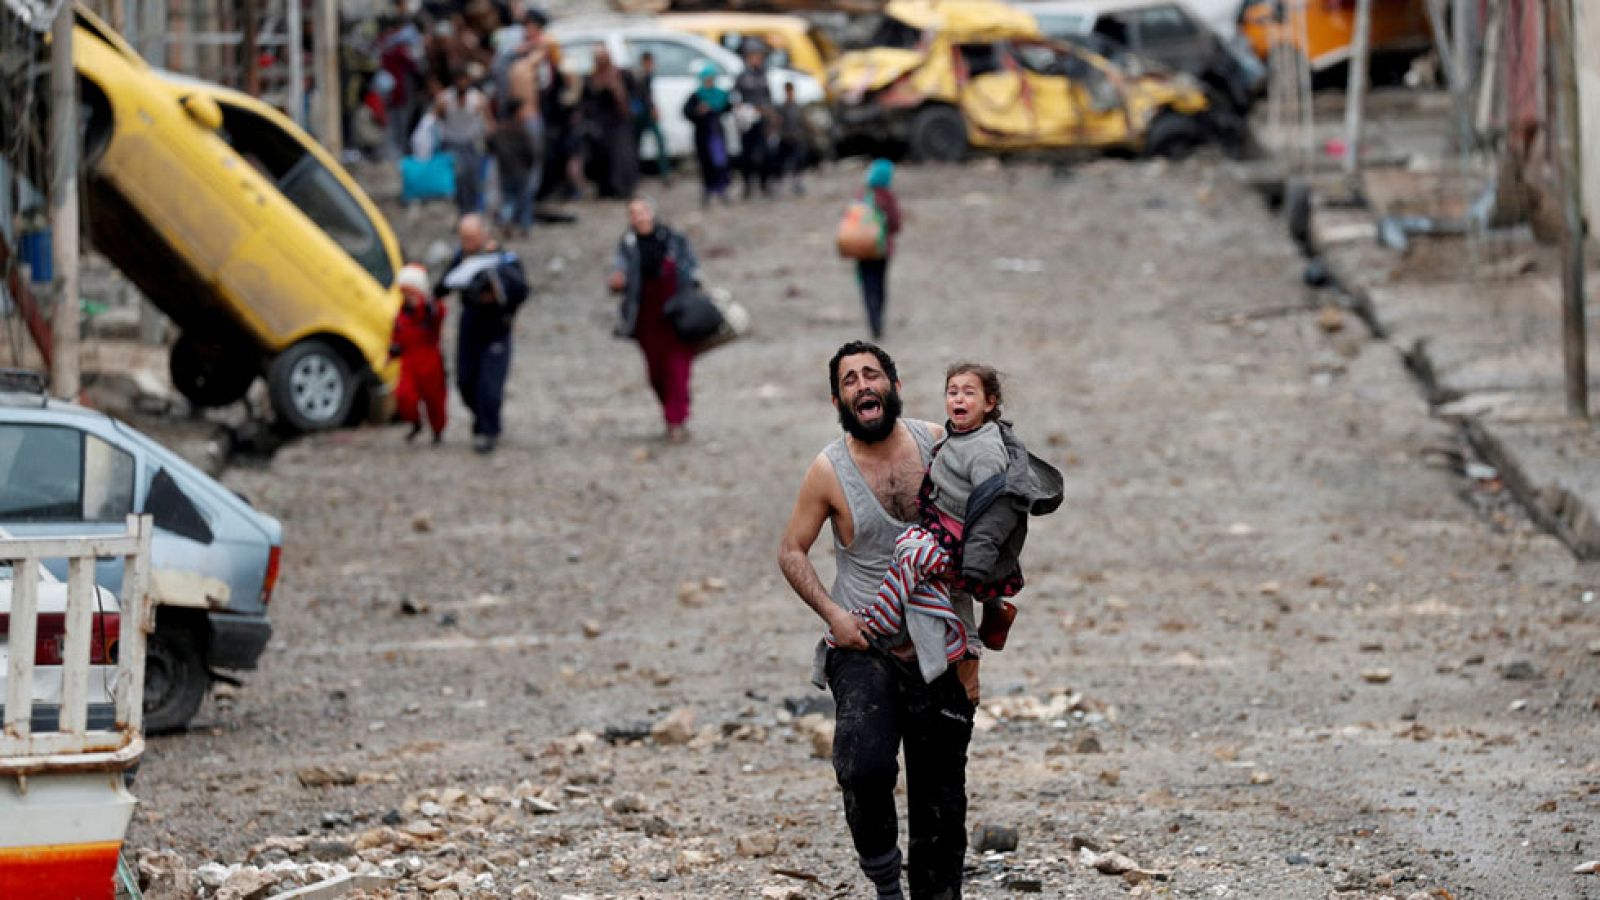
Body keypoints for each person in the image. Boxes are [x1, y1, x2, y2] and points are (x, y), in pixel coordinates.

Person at [776, 342, 970, 900]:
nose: (863, 385)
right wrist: (833, 615)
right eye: (849, 380)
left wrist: (981, 639)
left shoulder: (940, 445)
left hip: (939, 647)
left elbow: (988, 531)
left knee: (941, 801)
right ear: (837, 398)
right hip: (865, 646)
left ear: (894, 385)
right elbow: (792, 550)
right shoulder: (828, 470)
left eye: (872, 375)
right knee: (863, 766)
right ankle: (885, 881)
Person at [852, 364, 1061, 675]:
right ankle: (993, 611)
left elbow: (995, 510)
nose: (958, 399)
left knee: (941, 577)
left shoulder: (985, 451)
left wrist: (976, 558)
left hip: (966, 535)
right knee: (960, 580)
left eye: (968, 393)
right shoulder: (961, 433)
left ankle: (966, 641)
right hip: (947, 521)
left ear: (990, 403)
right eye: (952, 392)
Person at [606, 198, 700, 443]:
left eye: (643, 211)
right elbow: (619, 272)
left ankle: (676, 420)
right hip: (646, 319)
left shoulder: (673, 238)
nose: (640, 217)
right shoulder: (628, 245)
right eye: (634, 213)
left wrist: (688, 282)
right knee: (656, 374)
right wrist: (617, 282)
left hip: (676, 316)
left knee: (677, 369)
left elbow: (691, 267)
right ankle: (673, 410)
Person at [434, 213, 529, 453]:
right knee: (465, 382)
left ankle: (488, 431)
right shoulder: (461, 257)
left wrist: (497, 287)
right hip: (470, 325)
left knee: (490, 385)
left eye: (472, 238)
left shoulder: (504, 258)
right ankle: (481, 418)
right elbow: (442, 287)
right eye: (463, 238)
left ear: (484, 235)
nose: (467, 243)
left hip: (497, 327)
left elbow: (521, 290)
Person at [390, 263, 448, 444]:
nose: (407, 296)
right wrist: (393, 349)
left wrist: (426, 303)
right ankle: (415, 423)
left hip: (430, 362)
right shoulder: (401, 312)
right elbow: (397, 334)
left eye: (410, 292)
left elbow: (439, 313)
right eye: (404, 292)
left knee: (435, 401)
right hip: (409, 361)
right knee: (404, 395)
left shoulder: (429, 310)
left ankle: (437, 431)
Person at [582, 47, 640, 199]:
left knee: (622, 156)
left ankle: (623, 188)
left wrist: (617, 89)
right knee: (602, 157)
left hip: (620, 122)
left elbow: (633, 100)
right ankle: (606, 189)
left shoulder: (622, 75)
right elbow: (587, 101)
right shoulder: (591, 78)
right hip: (601, 124)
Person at [434, 69, 493, 215]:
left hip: (471, 144)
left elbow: (489, 122)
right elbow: (436, 119)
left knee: (473, 180)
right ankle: (463, 212)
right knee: (459, 180)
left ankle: (472, 212)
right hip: (453, 143)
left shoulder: (478, 98)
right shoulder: (445, 99)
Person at [856, 159, 902, 340]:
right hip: (881, 249)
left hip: (861, 247)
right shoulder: (887, 196)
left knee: (867, 286)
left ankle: (872, 320)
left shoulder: (862, 195)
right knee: (880, 285)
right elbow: (896, 223)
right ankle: (879, 322)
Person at [682, 62, 732, 207]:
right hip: (703, 135)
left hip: (717, 134)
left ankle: (722, 189)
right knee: (706, 163)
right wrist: (698, 112)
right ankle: (708, 190)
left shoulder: (720, 94)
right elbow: (686, 112)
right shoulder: (696, 96)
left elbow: (726, 108)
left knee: (720, 162)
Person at [732, 42, 776, 199]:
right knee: (747, 155)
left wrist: (769, 114)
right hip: (747, 122)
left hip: (762, 121)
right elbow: (735, 99)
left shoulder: (763, 75)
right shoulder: (742, 77)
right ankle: (748, 186)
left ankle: (765, 184)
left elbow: (768, 97)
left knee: (765, 153)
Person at [488, 99, 538, 234]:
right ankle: (525, 226)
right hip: (521, 171)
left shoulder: (500, 130)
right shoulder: (521, 130)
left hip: (505, 171)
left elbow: (490, 147)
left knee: (509, 199)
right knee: (524, 199)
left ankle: (506, 219)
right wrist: (530, 164)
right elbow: (530, 151)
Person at [632, 51, 671, 183]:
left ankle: (664, 173)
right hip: (642, 114)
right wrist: (652, 109)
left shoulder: (647, 75)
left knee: (656, 141)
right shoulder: (641, 76)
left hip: (644, 113)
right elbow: (644, 96)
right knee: (638, 144)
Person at [776, 81, 809, 196]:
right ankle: (779, 184)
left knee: (799, 161)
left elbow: (803, 121)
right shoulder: (783, 107)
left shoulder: (797, 106)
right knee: (782, 162)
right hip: (785, 138)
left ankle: (797, 182)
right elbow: (778, 121)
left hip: (796, 137)